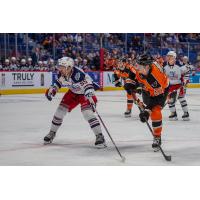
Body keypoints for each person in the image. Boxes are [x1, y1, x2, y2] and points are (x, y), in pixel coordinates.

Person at [44, 57, 106, 148]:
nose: (60, 69)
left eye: (62, 67)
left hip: (85, 93)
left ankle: (99, 136)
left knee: (88, 114)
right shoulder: (62, 73)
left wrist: (90, 97)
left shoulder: (78, 74)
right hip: (72, 93)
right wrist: (52, 91)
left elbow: (88, 84)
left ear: (69, 67)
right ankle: (52, 133)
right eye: (59, 66)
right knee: (59, 111)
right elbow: (59, 83)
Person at [134, 53, 169, 151]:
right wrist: (136, 86)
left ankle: (157, 137)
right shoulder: (143, 69)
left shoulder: (156, 78)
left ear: (146, 66)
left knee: (155, 110)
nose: (137, 67)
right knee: (148, 106)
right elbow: (136, 78)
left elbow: (156, 99)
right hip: (148, 88)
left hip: (162, 90)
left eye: (139, 66)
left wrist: (147, 111)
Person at [164, 51, 190, 121]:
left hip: (178, 86)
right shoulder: (165, 68)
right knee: (170, 100)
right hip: (169, 86)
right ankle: (173, 113)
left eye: (170, 56)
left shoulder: (179, 66)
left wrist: (185, 80)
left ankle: (186, 113)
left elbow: (187, 70)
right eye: (168, 56)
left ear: (174, 58)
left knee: (181, 99)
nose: (169, 58)